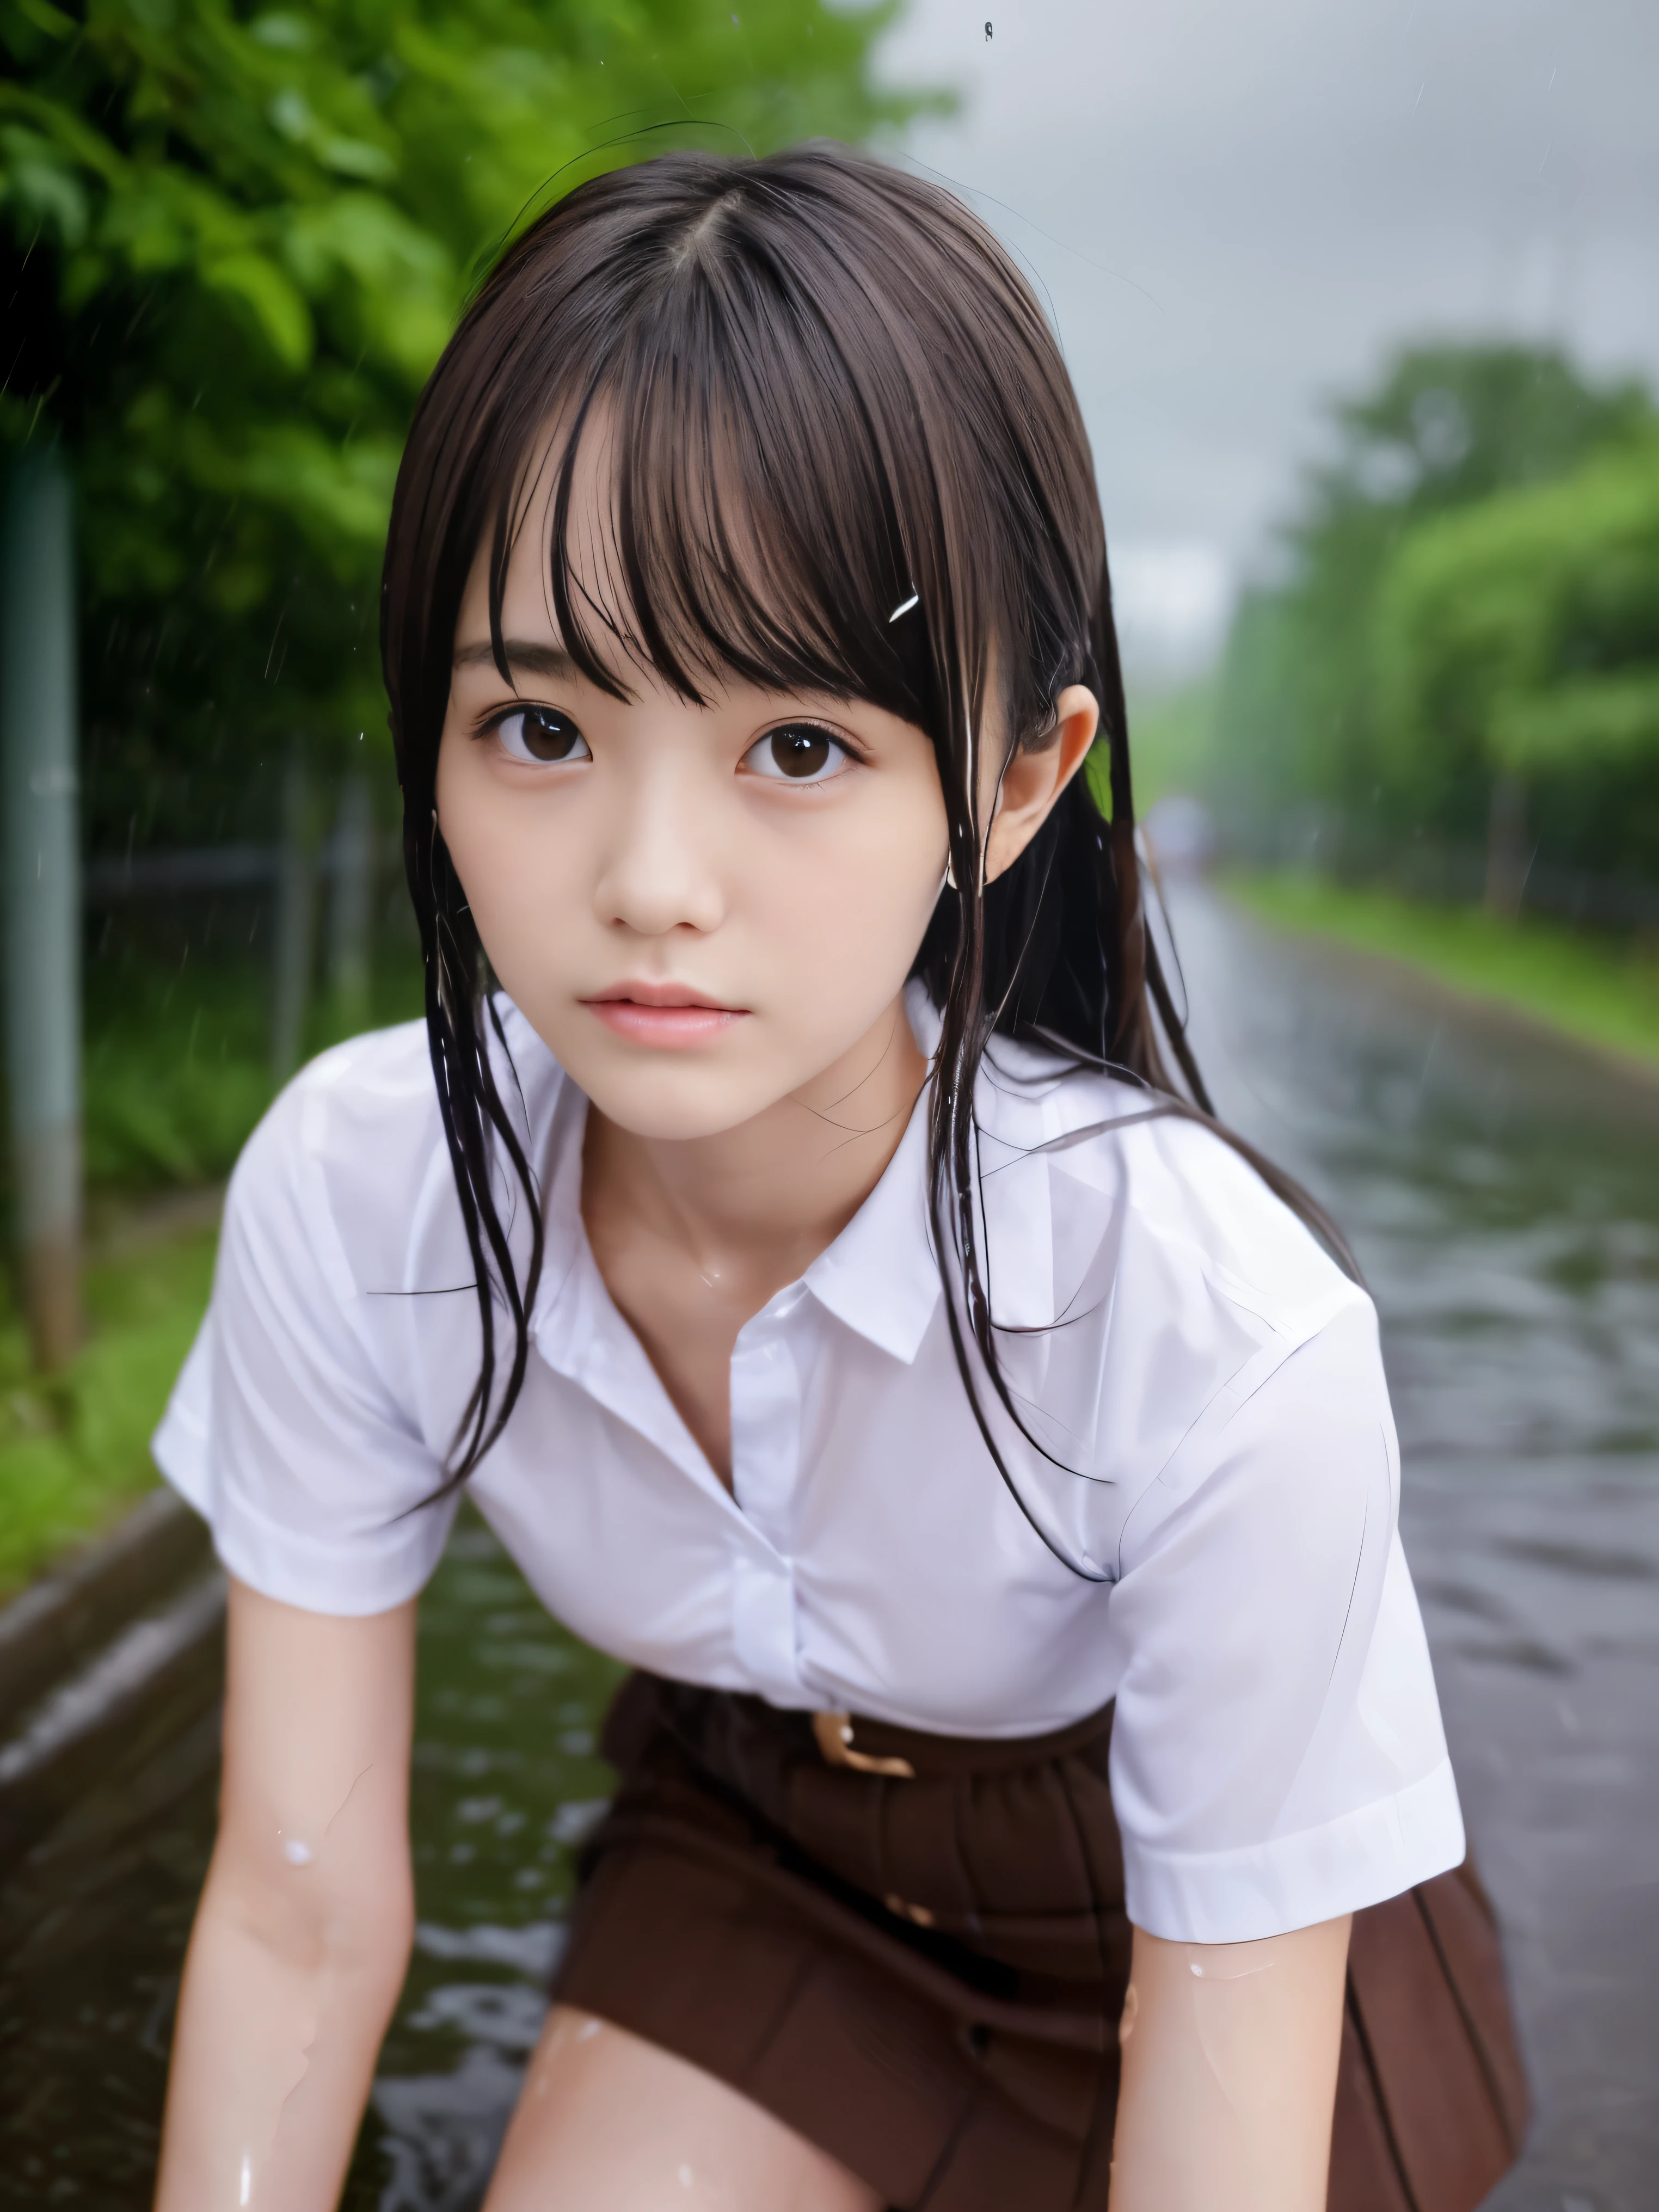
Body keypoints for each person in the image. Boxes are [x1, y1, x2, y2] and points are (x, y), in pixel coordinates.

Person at [149, 145, 1517, 2212]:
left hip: (1212, 1928)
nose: (647, 887)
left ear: (1015, 782)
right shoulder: (365, 1200)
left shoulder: (1213, 1332)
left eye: (799, 747)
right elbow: (298, 1909)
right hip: (775, 1870)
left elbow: (1221, 2092)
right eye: (538, 725)